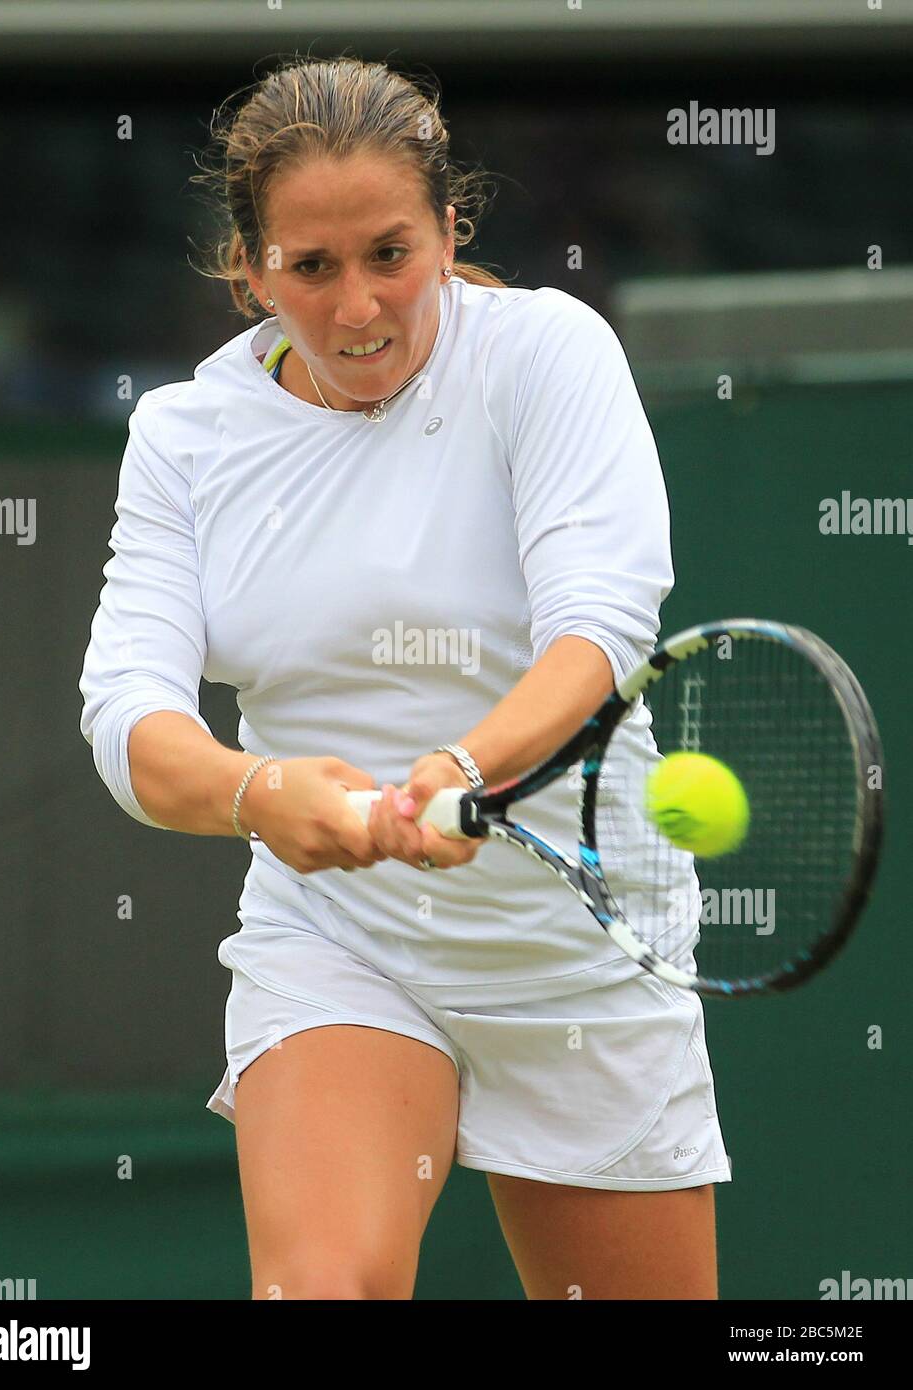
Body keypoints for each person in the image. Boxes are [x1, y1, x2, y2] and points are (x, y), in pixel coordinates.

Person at [79, 54, 731, 1301]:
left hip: (581, 953)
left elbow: (595, 635)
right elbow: (131, 720)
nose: (357, 305)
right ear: (249, 268)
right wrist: (262, 790)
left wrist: (464, 771)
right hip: (343, 943)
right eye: (309, 267)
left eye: (389, 252)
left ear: (448, 229)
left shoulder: (545, 355)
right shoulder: (181, 439)